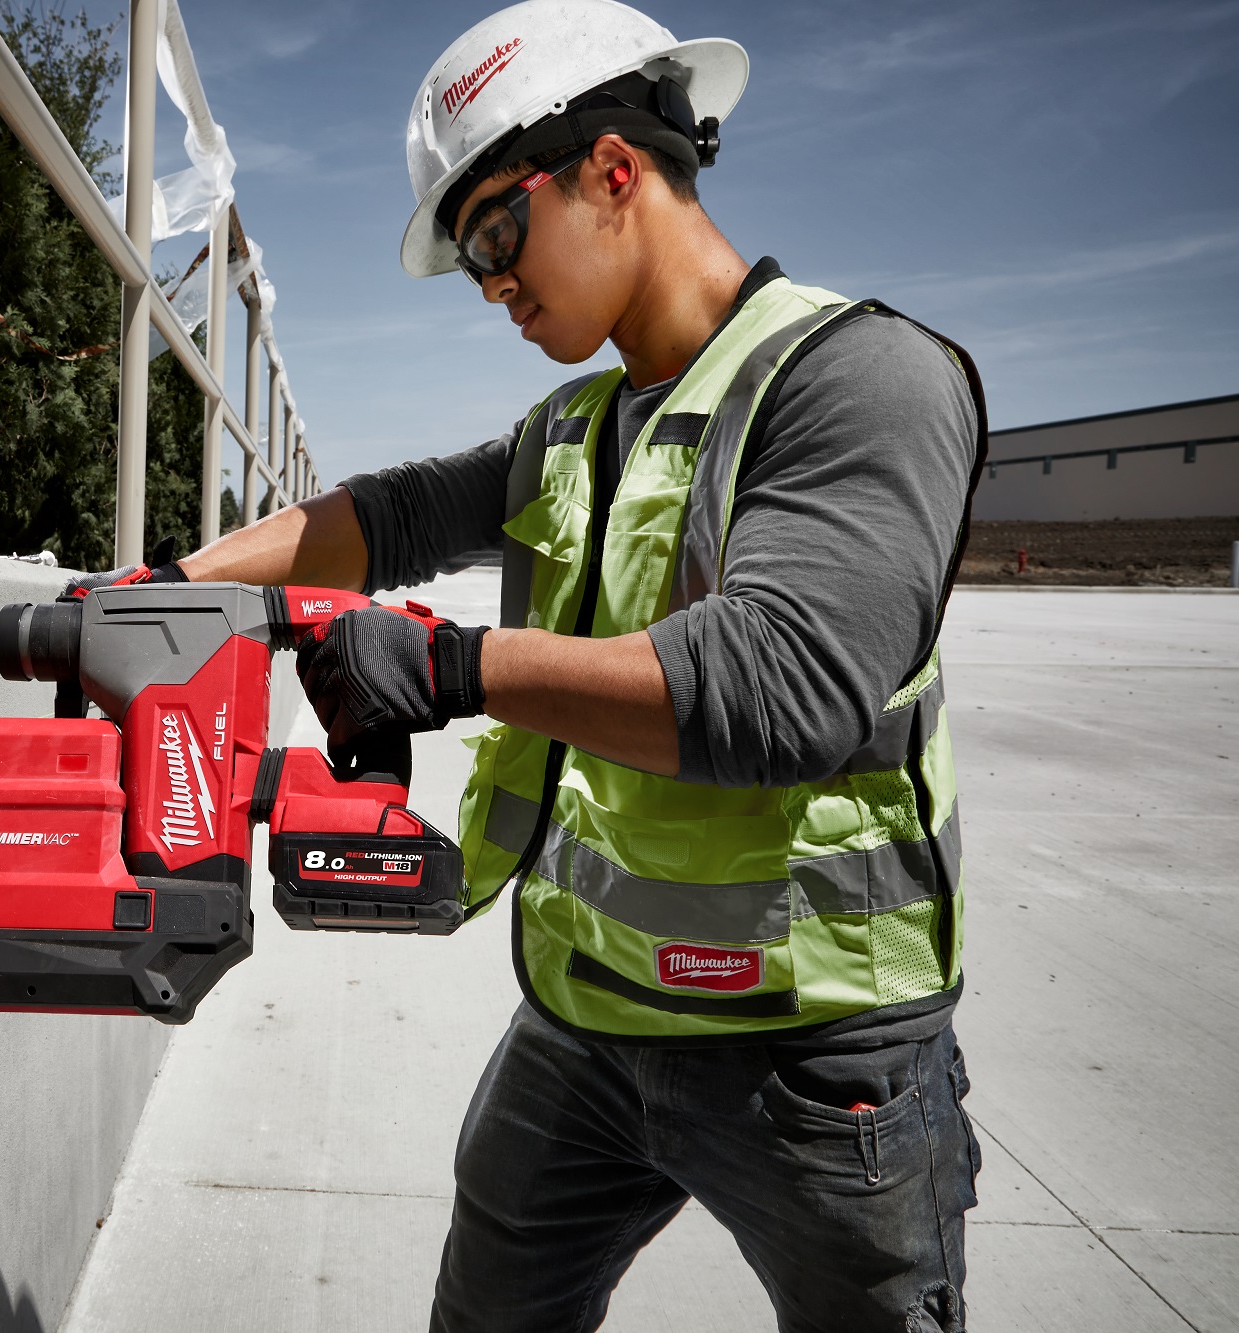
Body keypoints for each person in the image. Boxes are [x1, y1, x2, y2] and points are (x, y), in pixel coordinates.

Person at [82, 2, 986, 1327]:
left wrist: (449, 665)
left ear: (614, 171)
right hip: (588, 1018)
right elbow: (392, 518)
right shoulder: (578, 423)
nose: (493, 284)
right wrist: (156, 596)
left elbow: (775, 685)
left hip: (814, 1056)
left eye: (498, 233)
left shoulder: (858, 380)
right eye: (470, 261)